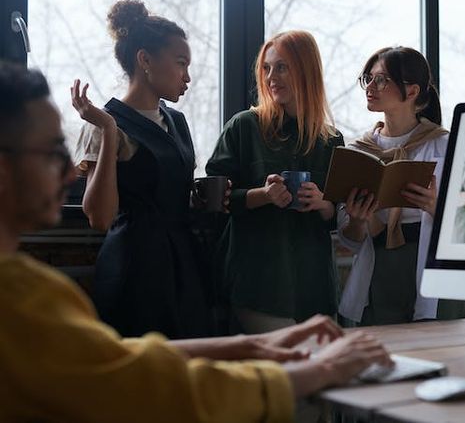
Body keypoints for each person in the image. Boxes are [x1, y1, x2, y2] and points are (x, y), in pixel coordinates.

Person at [0, 61, 392, 423]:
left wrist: (254, 347)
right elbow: (144, 387)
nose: (70, 171)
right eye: (53, 152)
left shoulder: (31, 285)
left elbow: (121, 359)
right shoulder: (19, 298)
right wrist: (320, 370)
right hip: (159, 267)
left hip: (209, 267)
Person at [72, 0, 214, 338]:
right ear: (145, 59)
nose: (188, 77)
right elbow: (100, 217)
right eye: (181, 63)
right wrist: (107, 131)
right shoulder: (104, 123)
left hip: (182, 263)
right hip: (134, 265)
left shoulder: (177, 122)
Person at [206, 30, 344, 334]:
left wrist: (323, 204)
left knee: (325, 373)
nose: (271, 77)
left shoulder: (332, 141)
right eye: (266, 68)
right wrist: (263, 195)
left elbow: (338, 216)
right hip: (258, 286)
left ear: (306, 70)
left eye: (282, 67)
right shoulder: (244, 127)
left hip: (317, 287)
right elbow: (213, 201)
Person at [337, 46, 465, 325]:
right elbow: (349, 238)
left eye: (382, 79)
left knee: (440, 357)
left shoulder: (445, 146)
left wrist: (437, 208)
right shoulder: (358, 152)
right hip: (380, 274)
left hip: (433, 274)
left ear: (411, 92)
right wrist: (357, 221)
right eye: (368, 78)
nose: (371, 87)